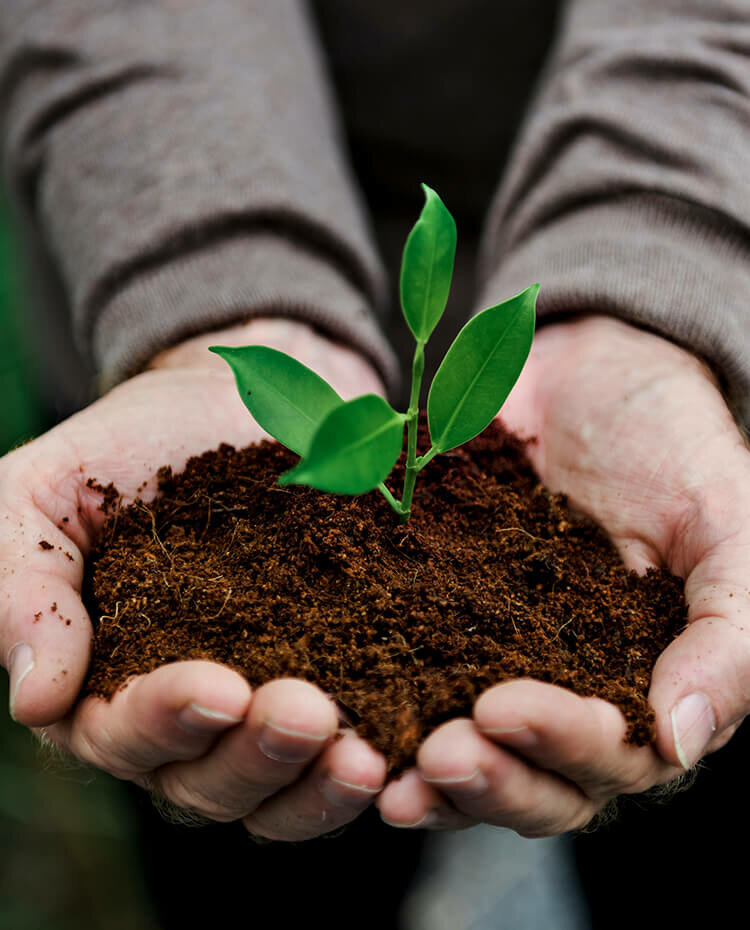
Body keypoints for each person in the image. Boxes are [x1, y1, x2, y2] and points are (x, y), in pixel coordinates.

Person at [1, 0, 749, 903]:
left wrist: (660, 271)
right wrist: (208, 276)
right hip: (145, 249)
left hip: (703, 284)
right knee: (262, 857)